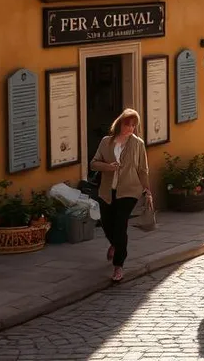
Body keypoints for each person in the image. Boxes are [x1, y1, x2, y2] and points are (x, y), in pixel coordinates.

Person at [89, 108, 153, 282]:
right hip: (107, 191)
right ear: (120, 123)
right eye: (128, 124)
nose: (131, 128)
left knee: (120, 225)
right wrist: (108, 167)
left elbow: (142, 170)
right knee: (106, 223)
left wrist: (147, 190)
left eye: (134, 125)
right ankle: (115, 244)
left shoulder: (138, 144)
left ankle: (118, 266)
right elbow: (93, 164)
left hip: (129, 190)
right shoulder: (106, 142)